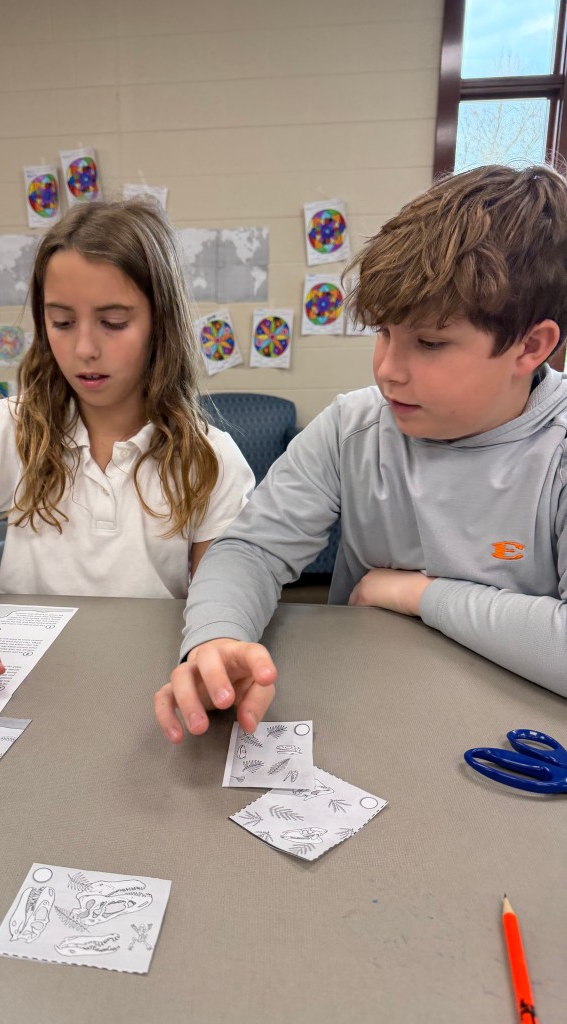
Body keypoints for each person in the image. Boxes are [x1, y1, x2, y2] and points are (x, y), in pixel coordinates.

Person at [154, 163, 567, 743]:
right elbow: (251, 550)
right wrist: (217, 637)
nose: (387, 370)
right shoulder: (354, 426)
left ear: (531, 346)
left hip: (518, 731)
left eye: (429, 343)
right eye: (384, 333)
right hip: (367, 716)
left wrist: (418, 594)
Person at [0, 199, 254, 727]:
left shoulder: (211, 458)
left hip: (145, 694)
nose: (84, 348)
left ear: (162, 323)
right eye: (61, 321)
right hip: (21, 689)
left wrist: (215, 659)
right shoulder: (12, 428)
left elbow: (221, 604)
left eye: (113, 322)